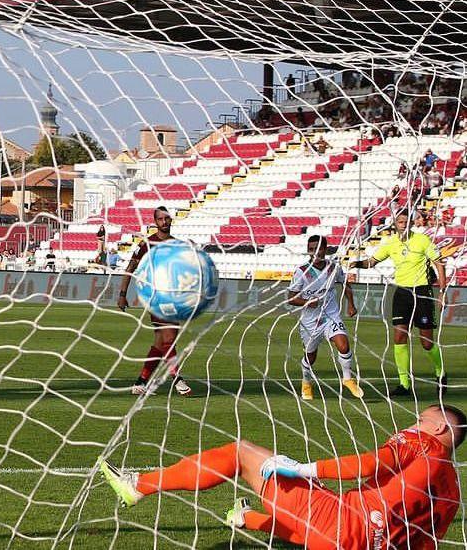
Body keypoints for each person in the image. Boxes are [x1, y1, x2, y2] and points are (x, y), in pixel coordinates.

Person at [99, 404, 465, 549]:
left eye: (420, 419)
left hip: (338, 522)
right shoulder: (453, 492)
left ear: (441, 429)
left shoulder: (424, 442)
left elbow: (369, 465)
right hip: (361, 543)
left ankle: (138, 486)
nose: (412, 423)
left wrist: (305, 467)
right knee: (319, 511)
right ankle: (245, 517)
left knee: (241, 453)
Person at [351, 210, 447, 397]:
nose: (402, 224)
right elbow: (372, 262)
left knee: (426, 342)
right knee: (399, 338)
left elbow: (439, 263)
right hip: (401, 292)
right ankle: (404, 384)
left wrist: (442, 293)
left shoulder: (421, 240)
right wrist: (356, 263)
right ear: (395, 224)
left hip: (422, 292)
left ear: (411, 223)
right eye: (399, 221)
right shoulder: (391, 243)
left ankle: (440, 372)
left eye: (405, 221)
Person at [116, 206, 191, 397]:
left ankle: (140, 382)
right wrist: (122, 293)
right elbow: (130, 267)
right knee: (168, 337)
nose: (164, 222)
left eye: (167, 218)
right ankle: (177, 378)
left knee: (161, 341)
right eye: (161, 219)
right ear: (155, 222)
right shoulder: (147, 244)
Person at [287, 236, 361, 400]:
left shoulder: (334, 267)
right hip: (310, 321)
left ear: (325, 250)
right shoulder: (301, 271)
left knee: (343, 344)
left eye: (318, 248)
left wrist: (351, 304)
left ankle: (348, 379)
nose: (314, 252)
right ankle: (306, 382)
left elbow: (345, 284)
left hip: (331, 315)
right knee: (310, 356)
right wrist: (307, 302)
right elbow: (291, 298)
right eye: (311, 249)